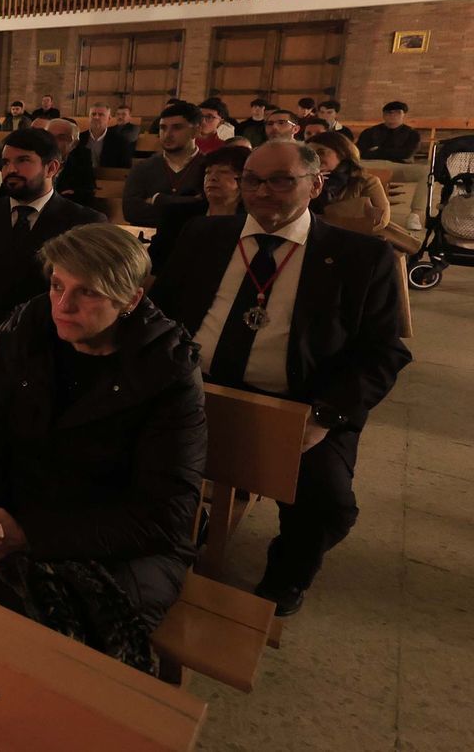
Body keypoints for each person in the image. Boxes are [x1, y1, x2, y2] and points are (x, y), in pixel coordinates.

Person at [0, 224, 206, 651]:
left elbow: (163, 514)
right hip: (20, 508)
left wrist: (29, 534)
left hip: (119, 542)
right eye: (57, 284)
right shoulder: (30, 329)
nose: (63, 304)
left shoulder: (166, 368)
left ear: (130, 300)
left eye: (88, 292)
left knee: (23, 633)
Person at [152, 142, 410, 616]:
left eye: (280, 180)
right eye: (252, 179)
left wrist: (325, 416)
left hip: (302, 403)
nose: (262, 191)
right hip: (194, 390)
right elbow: (162, 313)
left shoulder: (360, 256)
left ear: (316, 185)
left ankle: (287, 572)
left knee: (327, 503)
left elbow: (384, 352)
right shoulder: (204, 235)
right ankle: (186, 524)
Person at [0, 128, 103, 335]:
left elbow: (85, 298)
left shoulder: (84, 224)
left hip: (49, 341)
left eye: (23, 160)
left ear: (51, 168)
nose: (10, 170)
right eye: (5, 162)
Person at [147, 146, 249, 271]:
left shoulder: (251, 220)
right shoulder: (176, 215)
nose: (212, 177)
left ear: (244, 179)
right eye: (208, 172)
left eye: (224, 172)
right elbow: (156, 262)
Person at [122, 101, 206, 227]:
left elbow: (208, 211)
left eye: (177, 128)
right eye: (163, 128)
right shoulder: (143, 168)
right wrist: (191, 203)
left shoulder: (210, 167)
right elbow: (131, 212)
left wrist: (158, 199)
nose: (167, 134)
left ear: (196, 131)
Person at [309, 131, 390, 234]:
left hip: (355, 239)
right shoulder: (301, 181)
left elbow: (381, 220)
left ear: (342, 154)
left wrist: (323, 221)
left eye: (321, 152)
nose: (314, 158)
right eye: (310, 153)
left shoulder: (366, 181)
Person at [47, 118, 96, 208]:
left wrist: (74, 193)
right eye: (49, 136)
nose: (53, 141)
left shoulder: (81, 160)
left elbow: (88, 190)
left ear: (74, 143)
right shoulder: (34, 159)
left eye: (61, 138)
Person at [78, 104, 135, 169]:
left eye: (101, 114)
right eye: (93, 114)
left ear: (109, 118)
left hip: (108, 177)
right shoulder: (79, 138)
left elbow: (125, 168)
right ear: (89, 117)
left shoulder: (120, 141)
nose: (96, 117)